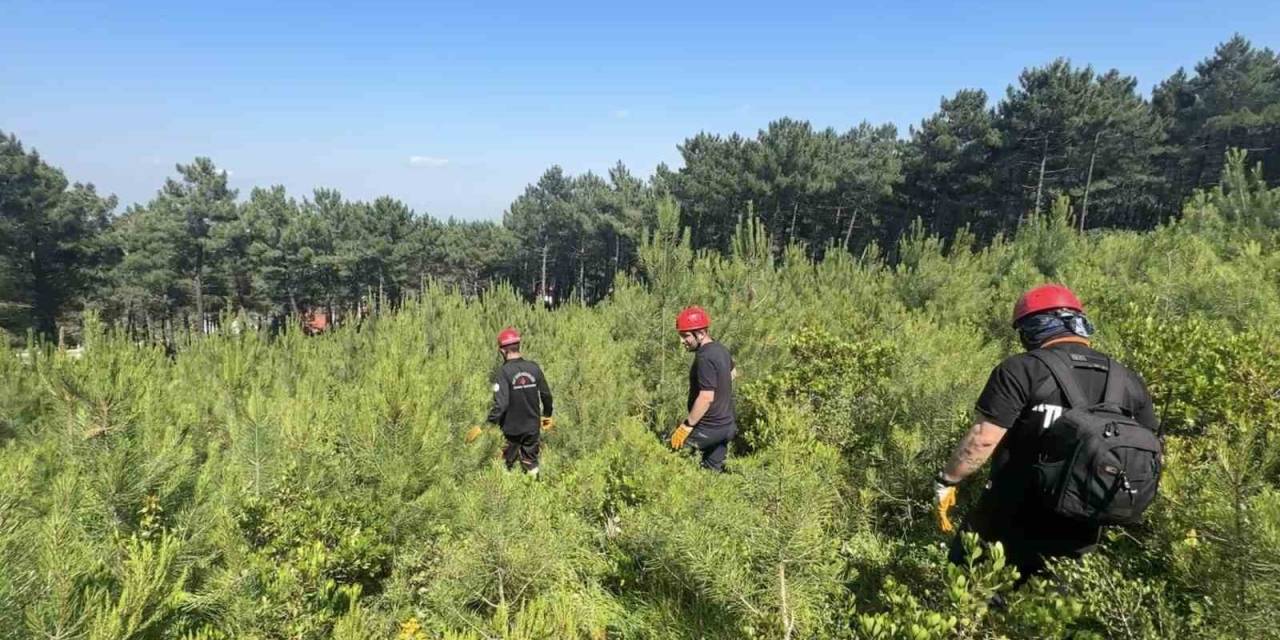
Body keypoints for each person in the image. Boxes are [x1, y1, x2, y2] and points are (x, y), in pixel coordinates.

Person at [934, 284, 1158, 580]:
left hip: (1010, 516)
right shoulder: (1127, 378)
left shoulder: (1021, 369)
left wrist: (947, 481)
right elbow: (1152, 450)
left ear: (1033, 329)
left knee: (970, 586)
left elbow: (983, 440)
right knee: (1053, 597)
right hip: (1083, 522)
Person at [479, 327, 554, 478]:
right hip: (532, 427)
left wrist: (487, 424)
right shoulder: (534, 368)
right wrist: (547, 415)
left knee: (507, 465)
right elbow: (546, 395)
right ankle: (535, 488)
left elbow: (501, 405)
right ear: (519, 346)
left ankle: (509, 489)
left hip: (510, 431)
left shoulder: (503, 372)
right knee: (531, 463)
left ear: (502, 351)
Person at [670, 306, 738, 472]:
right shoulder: (720, 349)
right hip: (727, 427)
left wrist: (687, 426)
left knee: (670, 459)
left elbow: (706, 397)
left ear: (700, 333)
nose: (682, 341)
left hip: (709, 429)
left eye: (685, 336)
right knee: (711, 475)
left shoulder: (704, 357)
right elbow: (733, 373)